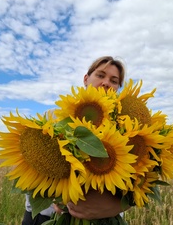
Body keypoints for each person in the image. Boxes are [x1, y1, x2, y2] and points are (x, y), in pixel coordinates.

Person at [22, 56, 128, 224]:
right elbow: (28, 160)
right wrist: (57, 196)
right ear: (86, 79)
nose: (106, 83)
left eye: (114, 81)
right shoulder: (53, 117)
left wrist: (118, 206)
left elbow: (141, 181)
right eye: (100, 75)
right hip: (46, 217)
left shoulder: (126, 127)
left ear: (118, 88)